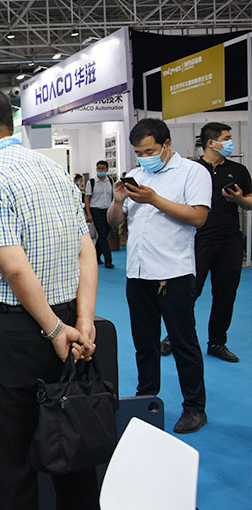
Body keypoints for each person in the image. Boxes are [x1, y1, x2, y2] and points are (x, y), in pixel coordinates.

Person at [0, 85, 98, 510]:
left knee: (12, 459)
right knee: (72, 442)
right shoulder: (53, 170)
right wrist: (82, 321)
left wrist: (52, 330)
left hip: (20, 332)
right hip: (71, 324)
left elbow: (13, 267)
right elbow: (85, 249)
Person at [107, 118, 211, 434]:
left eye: (149, 151)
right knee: (144, 344)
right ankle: (145, 399)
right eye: (139, 153)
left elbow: (198, 216)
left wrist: (154, 199)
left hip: (174, 274)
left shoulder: (192, 172)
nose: (144, 158)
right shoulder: (136, 176)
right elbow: (114, 222)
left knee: (183, 343)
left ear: (166, 144)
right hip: (138, 275)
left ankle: (194, 408)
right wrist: (118, 201)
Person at [161, 123, 252, 363]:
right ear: (211, 143)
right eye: (227, 138)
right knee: (188, 292)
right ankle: (175, 337)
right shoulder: (190, 170)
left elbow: (250, 201)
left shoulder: (238, 170)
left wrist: (239, 199)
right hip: (197, 240)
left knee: (225, 294)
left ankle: (217, 343)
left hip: (230, 242)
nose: (230, 142)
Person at [85, 160, 115, 268]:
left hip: (108, 210)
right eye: (98, 168)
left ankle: (96, 257)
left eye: (102, 168)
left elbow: (113, 196)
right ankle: (108, 260)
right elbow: (87, 199)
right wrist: (89, 214)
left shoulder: (110, 181)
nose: (100, 170)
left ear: (107, 169)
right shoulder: (91, 182)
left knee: (104, 235)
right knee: (102, 234)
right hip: (95, 210)